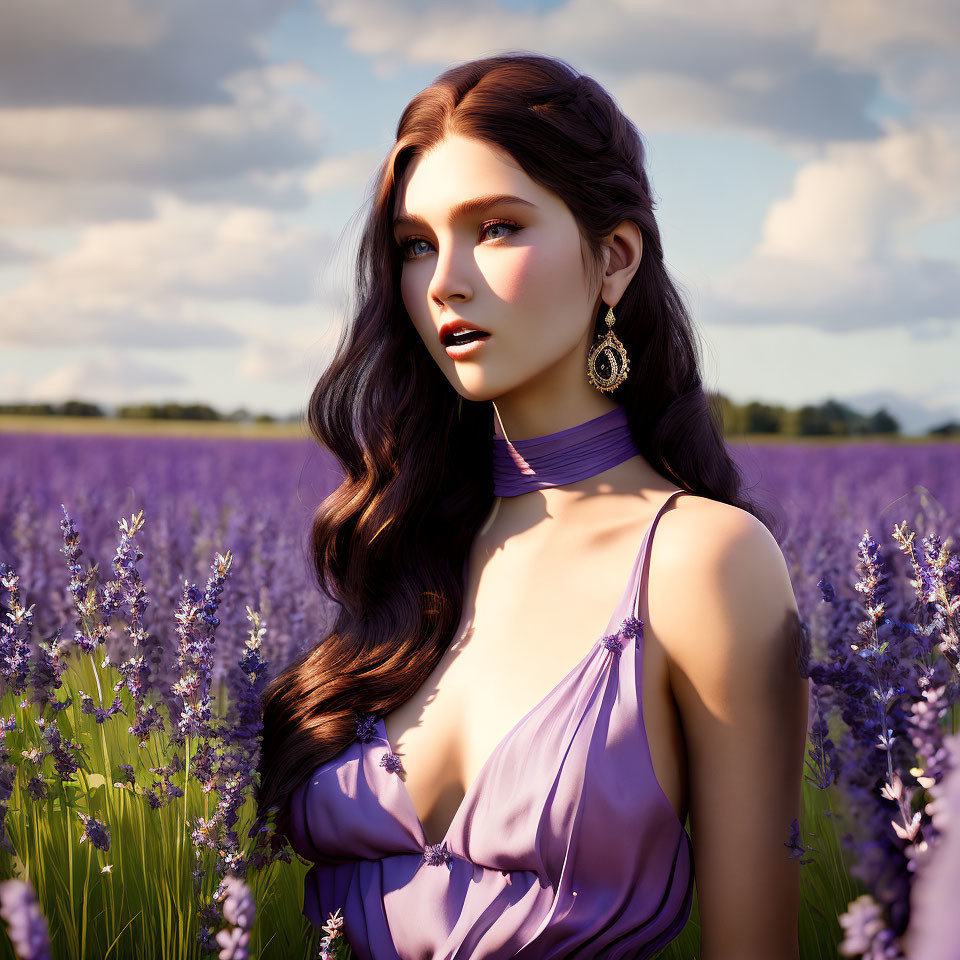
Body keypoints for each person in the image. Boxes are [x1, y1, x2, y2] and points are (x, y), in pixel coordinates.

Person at [257, 51, 810, 959]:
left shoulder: (702, 562)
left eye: (498, 228)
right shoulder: (410, 540)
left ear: (614, 259)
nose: (444, 281)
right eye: (416, 243)